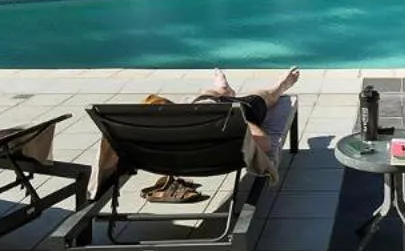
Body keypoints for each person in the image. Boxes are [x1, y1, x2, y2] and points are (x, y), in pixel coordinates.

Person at [105, 67, 301, 203]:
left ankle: (222, 90)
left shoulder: (145, 138)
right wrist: (240, 120)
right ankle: (279, 86)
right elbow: (264, 144)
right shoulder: (226, 126)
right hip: (226, 115)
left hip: (188, 124)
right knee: (264, 96)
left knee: (204, 99)